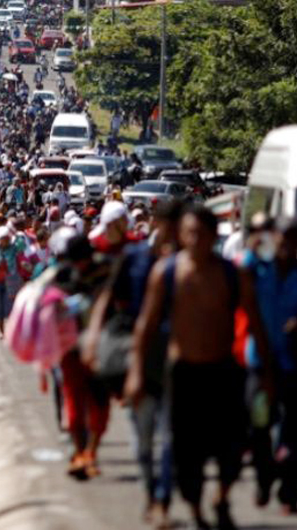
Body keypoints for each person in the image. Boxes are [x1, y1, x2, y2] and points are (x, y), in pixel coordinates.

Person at [127, 205, 273, 530]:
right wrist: (136, 373)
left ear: (213, 236)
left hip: (223, 372)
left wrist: (265, 371)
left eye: (201, 234)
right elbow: (145, 327)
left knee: (231, 447)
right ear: (181, 235)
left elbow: (256, 323)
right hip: (183, 374)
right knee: (184, 450)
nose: (195, 240)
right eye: (189, 233)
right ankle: (189, 508)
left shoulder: (232, 275)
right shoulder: (166, 272)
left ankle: (221, 497)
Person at [83, 200, 183, 527]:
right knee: (142, 438)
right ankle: (151, 494)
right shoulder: (135, 259)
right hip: (136, 355)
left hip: (177, 357)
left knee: (171, 438)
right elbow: (107, 298)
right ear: (156, 225)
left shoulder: (192, 265)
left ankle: (163, 502)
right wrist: (95, 339)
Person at [243, 217, 297, 514]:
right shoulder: (257, 270)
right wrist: (254, 246)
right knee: (257, 427)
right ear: (273, 237)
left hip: (296, 368)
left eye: (294, 236)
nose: (287, 242)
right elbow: (238, 271)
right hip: (259, 364)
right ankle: (265, 479)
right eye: (282, 235)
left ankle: (291, 495)